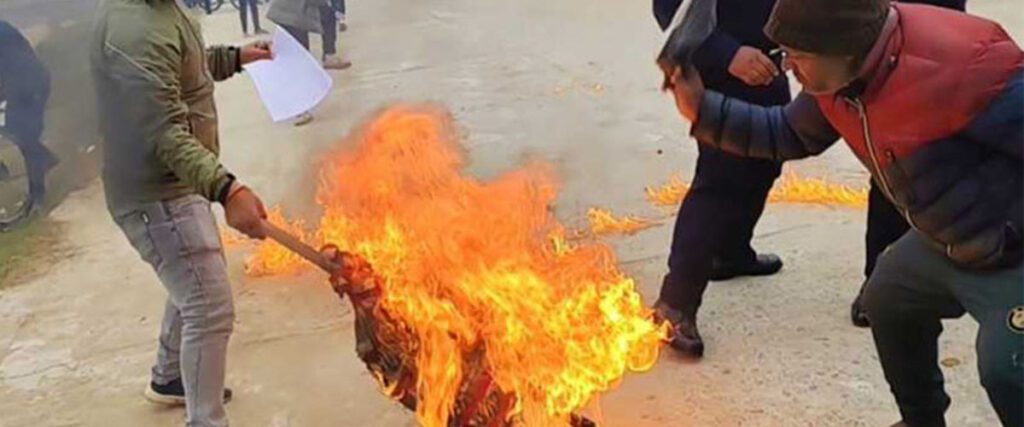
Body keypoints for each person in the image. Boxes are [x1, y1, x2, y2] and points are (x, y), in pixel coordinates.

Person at [664, 0, 1023, 425]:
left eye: (797, 56)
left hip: (1011, 251)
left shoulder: (969, 68)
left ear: (846, 51)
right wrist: (702, 110)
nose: (787, 68)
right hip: (948, 235)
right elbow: (787, 132)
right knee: (887, 299)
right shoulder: (839, 75)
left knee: (1007, 367)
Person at [91, 1, 272, 426]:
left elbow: (183, 67)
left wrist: (235, 58)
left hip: (177, 183)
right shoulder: (134, 28)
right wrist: (227, 188)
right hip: (157, 194)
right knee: (208, 305)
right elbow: (163, 130)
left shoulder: (159, 11)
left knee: (194, 281)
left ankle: (170, 377)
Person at [651, 0, 788, 359]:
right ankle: (674, 304)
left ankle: (729, 252)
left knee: (765, 164)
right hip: (723, 71)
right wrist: (726, 53)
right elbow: (669, 6)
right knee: (721, 181)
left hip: (771, 64)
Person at [849, 0, 968, 329]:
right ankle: (879, 282)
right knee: (895, 162)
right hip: (889, 34)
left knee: (945, 159)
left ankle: (942, 277)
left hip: (943, 35)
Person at [0, 20, 58, 213]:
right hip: (18, 85)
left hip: (30, 86)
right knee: (13, 130)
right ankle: (45, 157)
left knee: (25, 136)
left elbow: (19, 65)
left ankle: (38, 198)